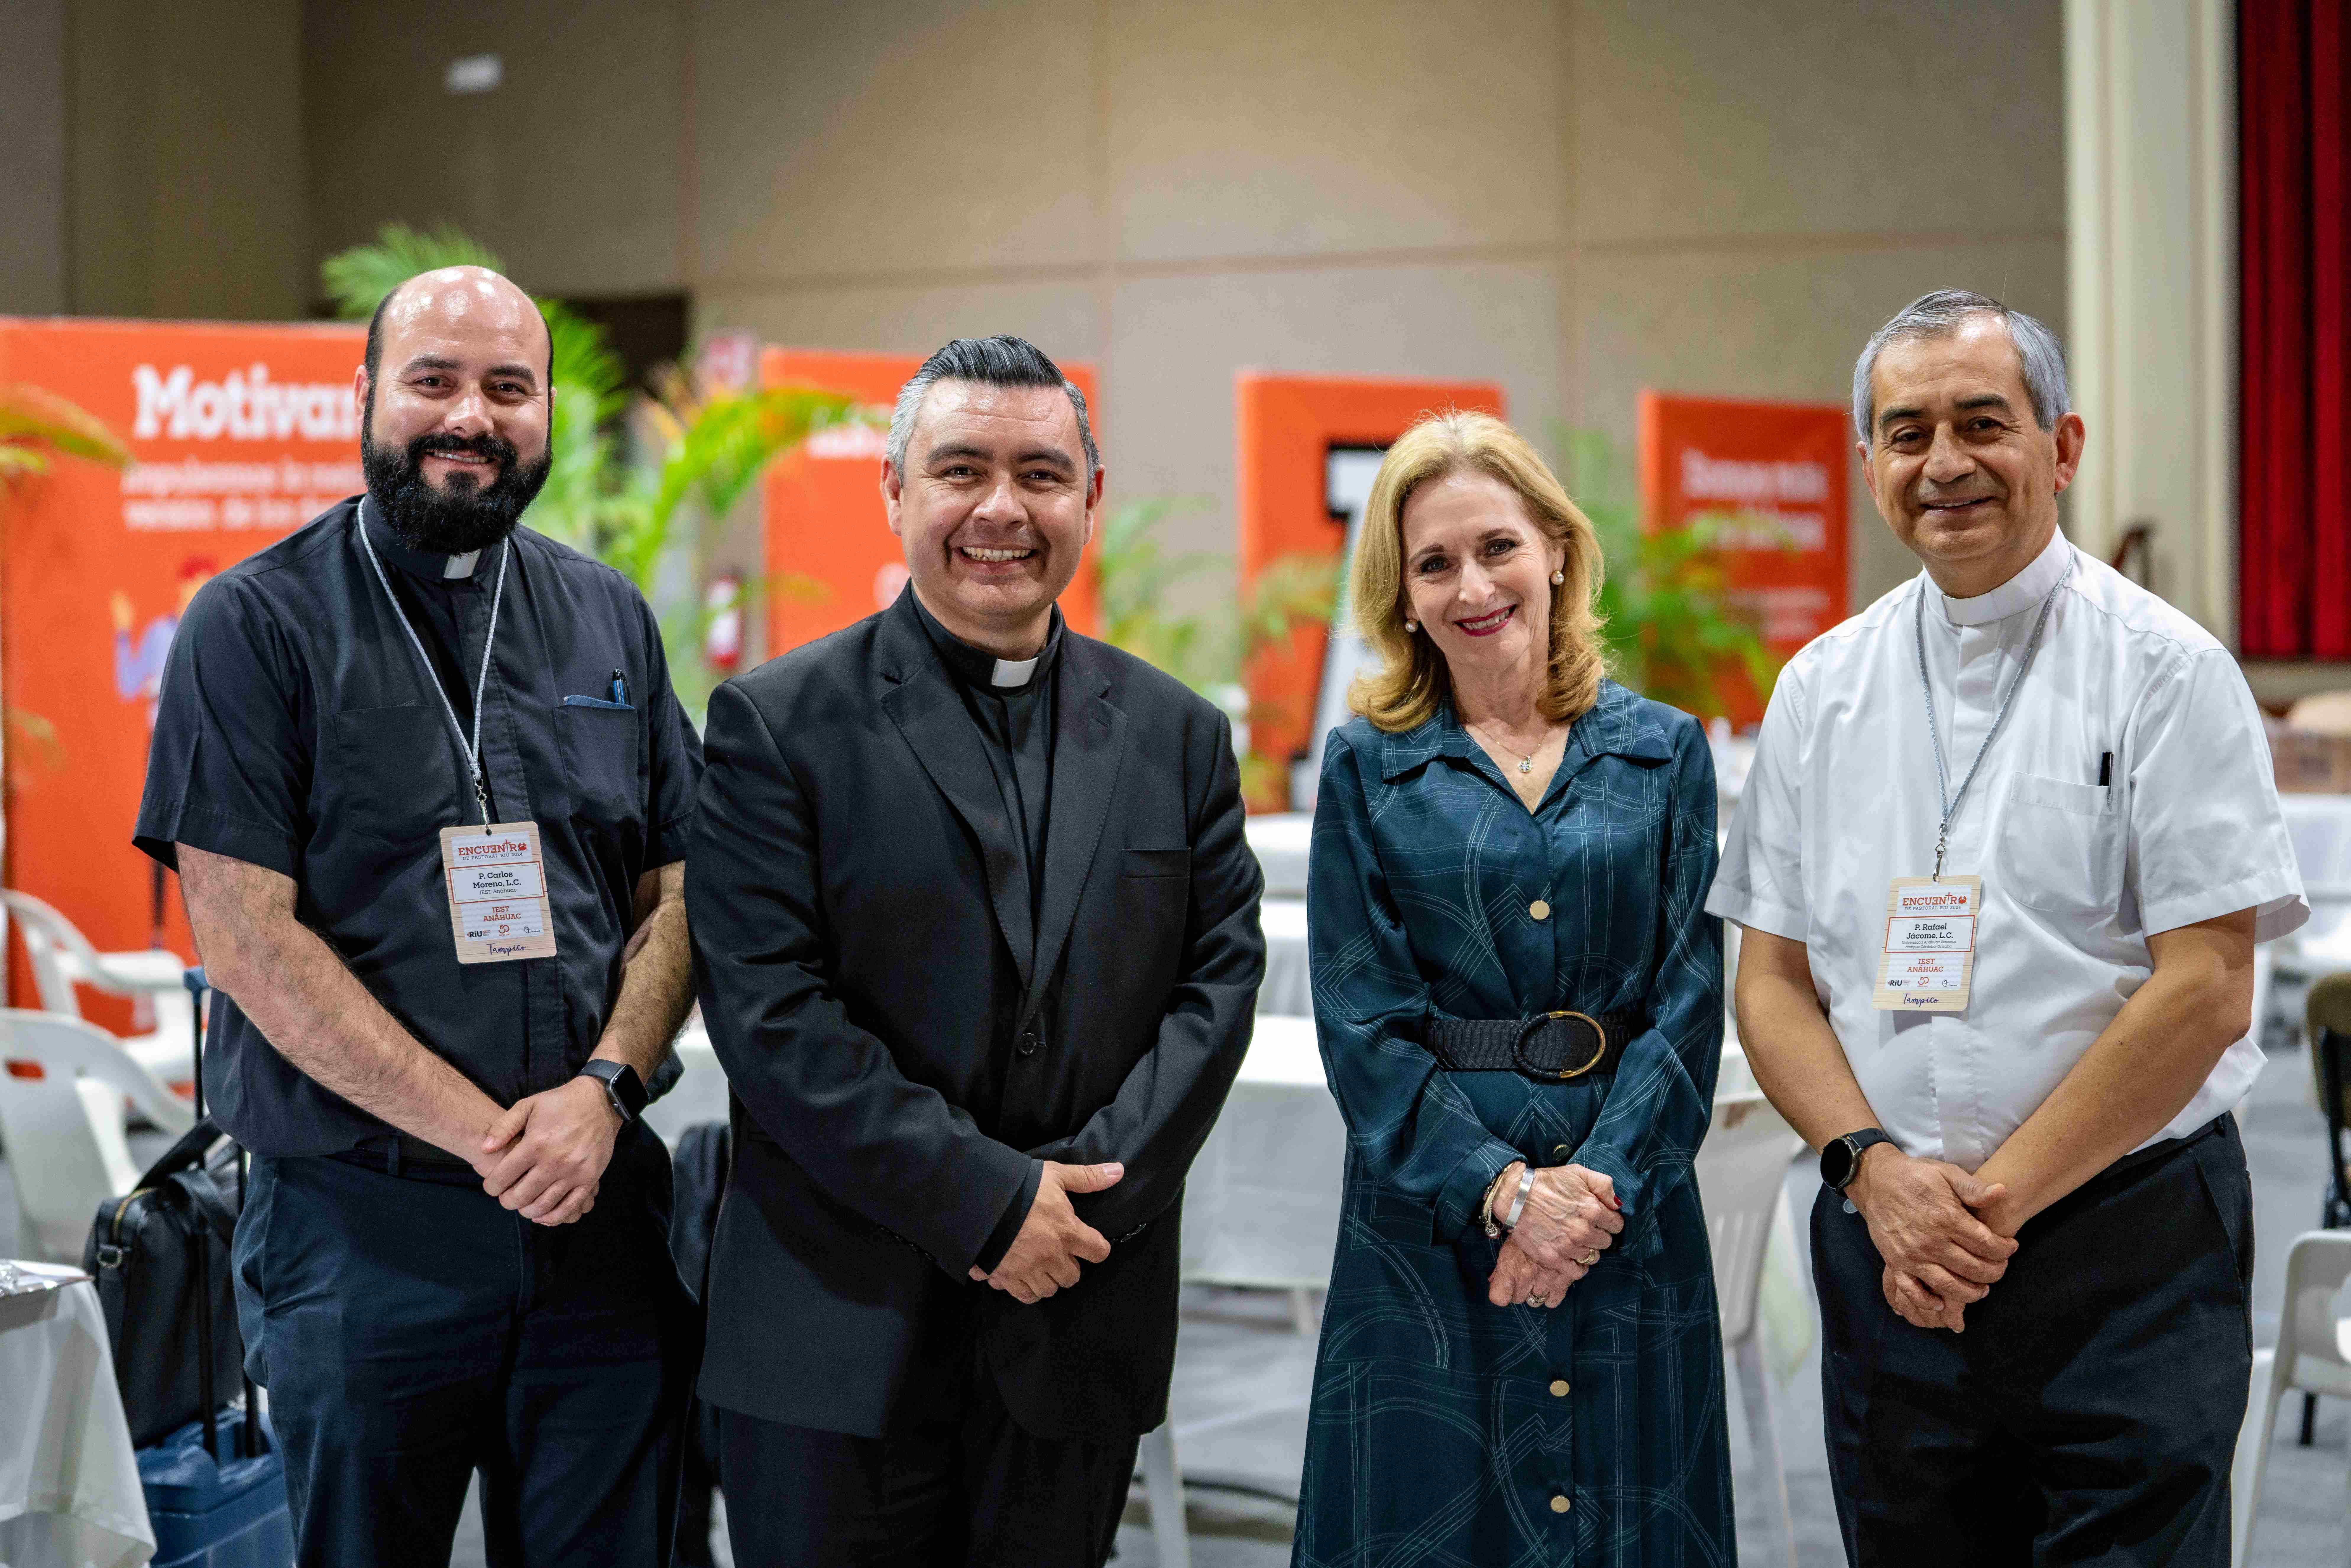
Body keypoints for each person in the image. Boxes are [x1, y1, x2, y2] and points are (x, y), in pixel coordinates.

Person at [1707, 289, 2307, 1565]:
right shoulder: (1821, 688)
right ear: (1868, 463)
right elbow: (1770, 981)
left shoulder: (2165, 670)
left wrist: (1976, 1214)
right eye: (1906, 433)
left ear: (2062, 446)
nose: (1944, 464)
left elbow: (2206, 987)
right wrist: (1874, 1174)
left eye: (1982, 424)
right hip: (1883, 1239)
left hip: (2123, 1245)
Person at [133, 265, 704, 1567]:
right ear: (366, 394)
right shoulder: (255, 624)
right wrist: (497, 1141)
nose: (470, 416)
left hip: (600, 1225)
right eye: (433, 381)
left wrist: (605, 1089)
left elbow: (682, 889)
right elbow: (247, 940)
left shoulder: (607, 616)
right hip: (363, 1234)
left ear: (546, 411)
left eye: (508, 388)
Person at [687, 335, 1265, 1567]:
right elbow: (773, 1017)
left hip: (1078, 1316)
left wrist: (1077, 1210)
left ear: (1089, 499)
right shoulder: (776, 726)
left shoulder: (1175, 735)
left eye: (1041, 475)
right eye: (961, 470)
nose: (1002, 509)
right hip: (839, 1339)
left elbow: (1216, 986)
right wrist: (990, 1203)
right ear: (894, 492)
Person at [1293, 411, 1733, 1563]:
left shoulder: (1663, 752)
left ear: (1557, 551)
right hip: (1432, 1220)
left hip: (1624, 1204)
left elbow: (1690, 1002)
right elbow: (1360, 1025)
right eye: (1433, 564)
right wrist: (1502, 1194)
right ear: (1401, 596)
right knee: (1434, 1521)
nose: (1473, 587)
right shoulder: (1365, 767)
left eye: (1497, 547)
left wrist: (1591, 1196)